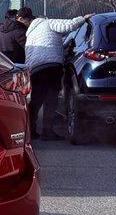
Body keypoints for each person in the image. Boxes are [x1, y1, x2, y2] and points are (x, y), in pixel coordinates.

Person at [19, 8, 91, 138]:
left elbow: (45, 46)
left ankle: (30, 130)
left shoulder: (31, 33)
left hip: (35, 69)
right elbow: (69, 25)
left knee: (36, 100)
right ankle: (48, 131)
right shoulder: (48, 23)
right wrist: (83, 18)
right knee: (51, 99)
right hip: (51, 66)